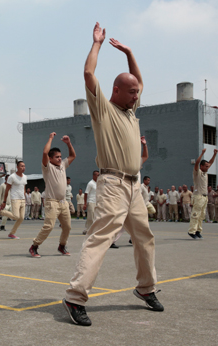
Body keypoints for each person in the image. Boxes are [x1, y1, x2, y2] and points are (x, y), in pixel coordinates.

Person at [63, 24, 162, 328]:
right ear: (116, 91)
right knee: (101, 238)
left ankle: (146, 288)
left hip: (133, 187)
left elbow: (139, 81)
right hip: (112, 184)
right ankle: (75, 297)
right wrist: (97, 44)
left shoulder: (131, 111)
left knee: (145, 238)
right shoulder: (103, 110)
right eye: (131, 92)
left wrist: (130, 53)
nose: (137, 95)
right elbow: (89, 75)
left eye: (137, 92)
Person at [30, 132, 76, 257]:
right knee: (49, 226)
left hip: (63, 202)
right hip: (52, 202)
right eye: (57, 157)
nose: (60, 159)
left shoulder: (63, 166)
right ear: (51, 159)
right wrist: (50, 138)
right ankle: (34, 246)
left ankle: (62, 246)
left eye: (60, 156)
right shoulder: (47, 167)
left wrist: (68, 143)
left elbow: (73, 155)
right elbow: (45, 153)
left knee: (67, 227)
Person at [188, 148, 217, 239]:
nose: (208, 167)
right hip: (198, 196)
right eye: (206, 166)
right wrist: (202, 153)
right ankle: (191, 231)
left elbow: (211, 162)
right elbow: (196, 163)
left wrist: (214, 154)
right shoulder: (198, 172)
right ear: (202, 166)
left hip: (204, 197)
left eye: (208, 166)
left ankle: (198, 230)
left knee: (202, 215)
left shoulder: (205, 173)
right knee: (196, 214)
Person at [0, 162, 28, 239]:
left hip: (22, 199)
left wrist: (24, 198)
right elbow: (7, 190)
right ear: (17, 167)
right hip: (15, 199)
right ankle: (2, 212)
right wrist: (4, 201)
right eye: (22, 166)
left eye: (24, 166)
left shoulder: (25, 177)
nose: (23, 167)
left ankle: (11, 233)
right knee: (16, 216)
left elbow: (23, 188)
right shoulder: (12, 177)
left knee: (21, 218)